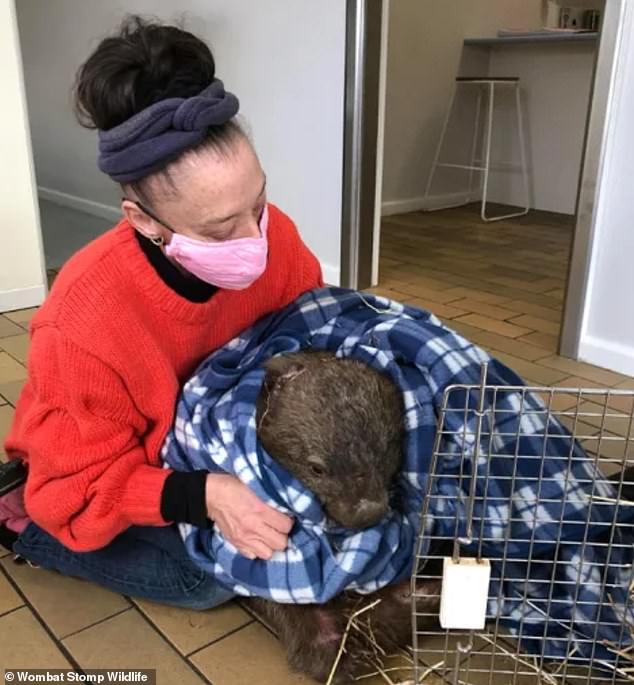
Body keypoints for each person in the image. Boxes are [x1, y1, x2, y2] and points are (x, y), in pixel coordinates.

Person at [0, 15, 323, 610]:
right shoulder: (82, 321)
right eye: (219, 230)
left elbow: (312, 343)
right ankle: (21, 519)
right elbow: (91, 474)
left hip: (208, 442)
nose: (255, 239)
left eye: (259, 204)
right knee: (208, 580)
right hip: (89, 468)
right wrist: (208, 495)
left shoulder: (281, 244)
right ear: (143, 221)